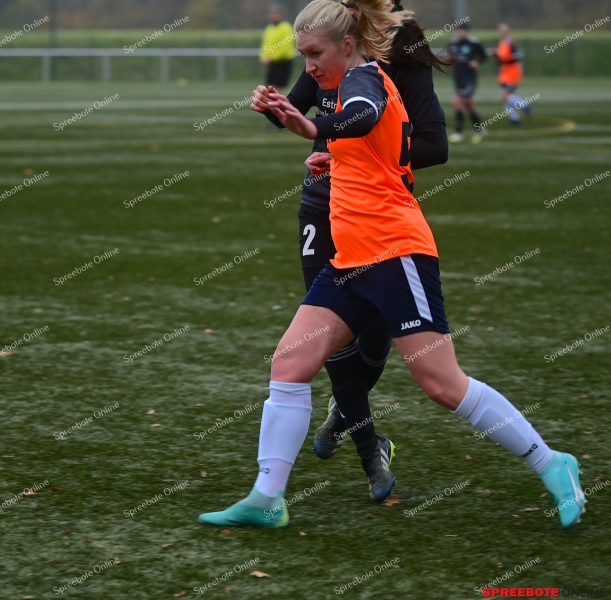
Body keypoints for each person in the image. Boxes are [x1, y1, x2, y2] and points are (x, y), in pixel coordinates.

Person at [199, 0, 585, 530]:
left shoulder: (365, 79)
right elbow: (375, 145)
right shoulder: (342, 84)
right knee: (289, 365)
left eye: (316, 53)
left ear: (348, 44)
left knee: (442, 384)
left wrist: (316, 132)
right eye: (304, 54)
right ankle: (268, 497)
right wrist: (329, 148)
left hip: (394, 251)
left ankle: (552, 461)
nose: (307, 65)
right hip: (351, 259)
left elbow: (365, 115)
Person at [250, 0, 449, 504]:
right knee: (321, 341)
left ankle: (348, 413)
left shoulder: (402, 46)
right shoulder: (326, 37)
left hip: (377, 213)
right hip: (324, 208)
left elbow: (432, 145)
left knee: (377, 343)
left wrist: (364, 154)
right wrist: (276, 106)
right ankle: (368, 450)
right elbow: (297, 110)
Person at [445, 22, 487, 144]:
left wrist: (477, 62)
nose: (460, 33)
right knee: (468, 104)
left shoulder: (474, 43)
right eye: (458, 30)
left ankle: (459, 132)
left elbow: (483, 56)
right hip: (458, 77)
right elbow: (450, 57)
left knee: (458, 102)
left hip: (469, 78)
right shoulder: (453, 43)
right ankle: (480, 129)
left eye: (462, 30)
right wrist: (449, 60)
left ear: (467, 31)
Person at [494, 23, 532, 125]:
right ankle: (515, 119)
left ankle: (525, 105)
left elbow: (516, 57)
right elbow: (501, 59)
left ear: (508, 31)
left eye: (504, 30)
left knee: (504, 96)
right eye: (501, 31)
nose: (502, 33)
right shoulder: (502, 43)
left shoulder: (510, 43)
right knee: (504, 98)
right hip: (505, 74)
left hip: (512, 74)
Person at [259, 5, 298, 96]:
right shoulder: (269, 29)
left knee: (276, 87)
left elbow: (284, 47)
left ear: (281, 15)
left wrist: (272, 58)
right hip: (272, 63)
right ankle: (278, 106)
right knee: (271, 87)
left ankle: (281, 107)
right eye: (272, 14)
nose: (274, 16)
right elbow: (265, 45)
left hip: (282, 62)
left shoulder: (286, 27)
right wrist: (264, 58)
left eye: (276, 14)